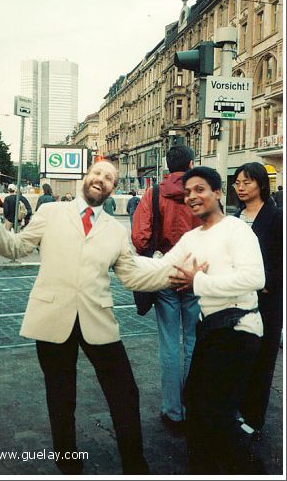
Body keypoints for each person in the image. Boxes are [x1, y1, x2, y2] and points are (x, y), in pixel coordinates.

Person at [0, 160, 187, 475]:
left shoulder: (114, 230)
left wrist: (170, 278)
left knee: (125, 393)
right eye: (98, 173)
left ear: (113, 188)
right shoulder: (51, 213)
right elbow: (15, 247)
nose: (102, 180)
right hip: (53, 316)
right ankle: (68, 464)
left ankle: (135, 466)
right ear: (85, 177)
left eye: (109, 178)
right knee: (61, 396)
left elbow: (132, 276)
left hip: (98, 319)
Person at [166, 166, 265, 474]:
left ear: (218, 193)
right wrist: (117, 260)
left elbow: (255, 277)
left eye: (200, 190)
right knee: (195, 400)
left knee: (216, 410)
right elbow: (161, 268)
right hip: (210, 330)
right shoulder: (191, 237)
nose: (192, 197)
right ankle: (204, 467)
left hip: (239, 327)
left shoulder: (236, 229)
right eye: (188, 193)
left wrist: (200, 284)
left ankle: (242, 470)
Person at [132, 145, 201, 433]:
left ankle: (174, 411)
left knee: (170, 343)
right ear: (191, 163)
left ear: (166, 164)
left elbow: (139, 237)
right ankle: (194, 404)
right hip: (196, 274)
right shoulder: (200, 192)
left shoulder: (154, 193)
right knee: (194, 340)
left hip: (165, 274)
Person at [233, 163, 283, 438]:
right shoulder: (238, 216)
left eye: (247, 182)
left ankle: (255, 417)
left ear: (261, 185)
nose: (240, 187)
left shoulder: (276, 218)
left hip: (267, 300)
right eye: (237, 182)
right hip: (240, 298)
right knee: (242, 355)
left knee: (262, 360)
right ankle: (240, 408)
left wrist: (268, 284)